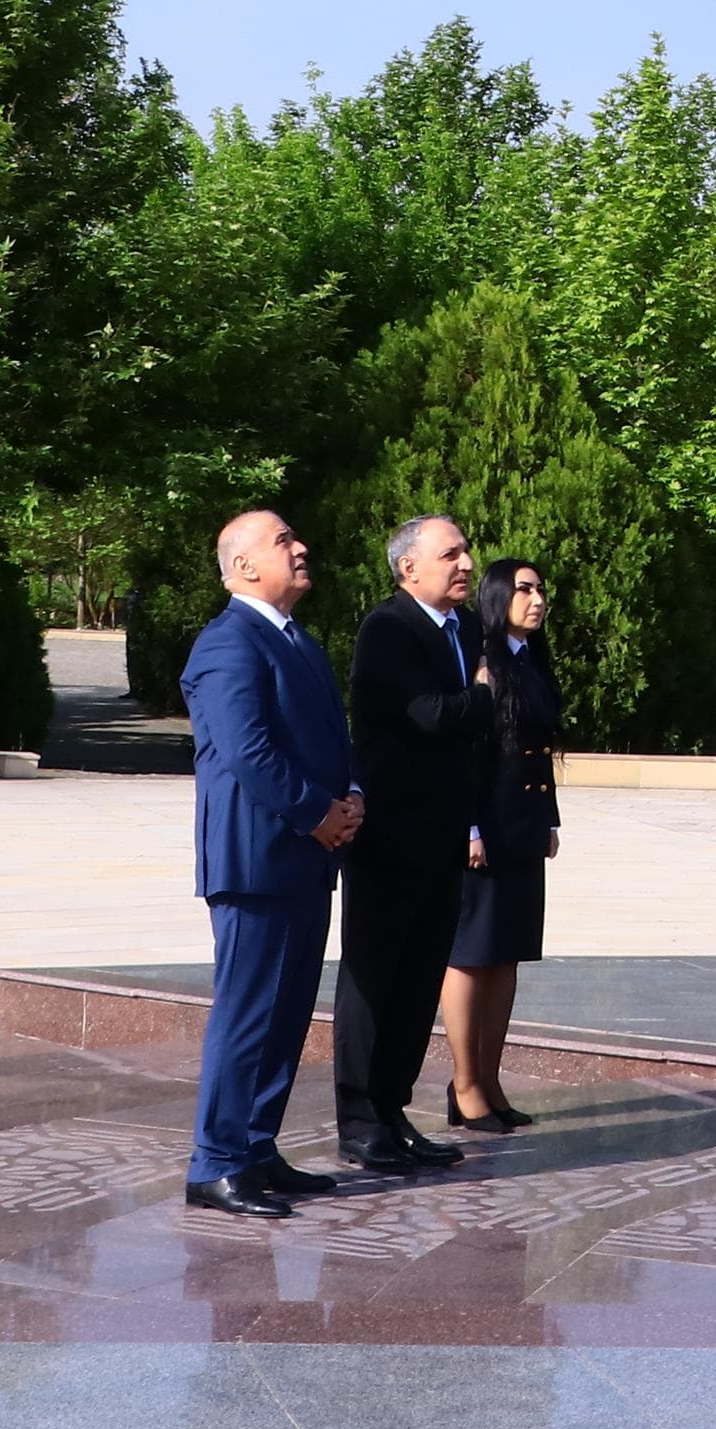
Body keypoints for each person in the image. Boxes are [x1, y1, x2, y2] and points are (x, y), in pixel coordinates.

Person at [177, 510, 364, 1223]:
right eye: (284, 540)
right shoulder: (228, 641)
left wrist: (351, 796)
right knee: (249, 1010)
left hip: (308, 855)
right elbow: (247, 751)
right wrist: (318, 812)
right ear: (245, 566)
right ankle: (215, 1162)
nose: (302, 545)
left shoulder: (299, 642)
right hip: (257, 859)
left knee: (285, 1014)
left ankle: (256, 1147)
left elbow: (331, 737)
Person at [334, 515, 495, 1172]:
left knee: (420, 977)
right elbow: (431, 714)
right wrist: (481, 696)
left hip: (441, 837)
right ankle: (358, 1120)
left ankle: (393, 1110)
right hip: (388, 836)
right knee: (375, 975)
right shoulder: (389, 628)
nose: (464, 562)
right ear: (409, 569)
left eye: (464, 551)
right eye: (449, 552)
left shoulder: (467, 630)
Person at [438, 555, 562, 1131]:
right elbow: (464, 755)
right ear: (496, 597)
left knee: (506, 955)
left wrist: (550, 817)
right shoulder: (481, 663)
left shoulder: (532, 659)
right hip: (481, 831)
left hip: (522, 828)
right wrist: (466, 826)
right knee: (470, 957)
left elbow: (538, 749)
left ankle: (489, 1080)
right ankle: (463, 1085)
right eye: (523, 590)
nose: (536, 600)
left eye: (540, 590)